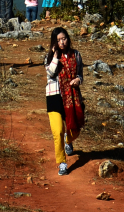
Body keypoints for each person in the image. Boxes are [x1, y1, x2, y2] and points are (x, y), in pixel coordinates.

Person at [45, 27, 84, 176]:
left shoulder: (76, 55)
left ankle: (69, 140)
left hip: (72, 97)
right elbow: (50, 73)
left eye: (64, 38)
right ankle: (62, 162)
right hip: (54, 96)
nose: (62, 42)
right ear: (54, 42)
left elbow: (81, 74)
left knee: (75, 128)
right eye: (58, 40)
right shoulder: (49, 57)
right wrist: (55, 55)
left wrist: (78, 80)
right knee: (58, 131)